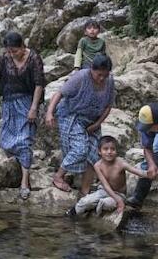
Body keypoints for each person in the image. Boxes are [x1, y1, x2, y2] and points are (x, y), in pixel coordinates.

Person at [0, 32, 45, 200]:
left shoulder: (34, 58)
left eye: (15, 51)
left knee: (24, 140)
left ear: (22, 47)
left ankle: (25, 182)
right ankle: (14, 172)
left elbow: (39, 84)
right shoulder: (6, 58)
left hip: (27, 103)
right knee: (6, 140)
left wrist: (34, 107)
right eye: (9, 51)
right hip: (9, 103)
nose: (12, 54)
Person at [46, 54, 115, 196]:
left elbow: (108, 106)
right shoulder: (81, 77)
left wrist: (97, 124)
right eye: (99, 75)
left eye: (105, 75)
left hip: (92, 120)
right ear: (91, 70)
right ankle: (58, 176)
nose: (102, 78)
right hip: (72, 115)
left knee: (94, 154)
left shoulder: (109, 81)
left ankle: (85, 191)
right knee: (80, 149)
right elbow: (59, 93)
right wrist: (49, 113)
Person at [67, 136, 148, 216]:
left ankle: (95, 209)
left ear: (116, 151)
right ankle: (70, 214)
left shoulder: (121, 163)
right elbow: (105, 185)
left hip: (119, 194)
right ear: (99, 151)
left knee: (106, 204)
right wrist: (118, 201)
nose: (109, 152)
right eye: (105, 149)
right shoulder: (97, 165)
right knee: (85, 201)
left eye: (112, 149)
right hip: (103, 191)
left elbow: (137, 172)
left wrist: (151, 174)